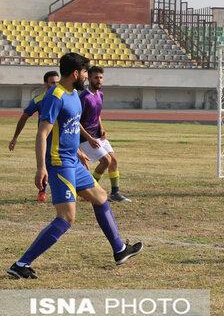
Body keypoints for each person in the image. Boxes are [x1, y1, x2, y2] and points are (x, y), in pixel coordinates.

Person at [7, 53, 142, 280]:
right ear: (76, 73)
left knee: (100, 197)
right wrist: (41, 168)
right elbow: (42, 134)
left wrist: (80, 149)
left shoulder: (72, 95)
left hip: (73, 160)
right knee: (67, 218)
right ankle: (21, 264)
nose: (88, 76)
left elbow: (69, 124)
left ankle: (119, 250)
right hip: (59, 164)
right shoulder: (55, 96)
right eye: (86, 72)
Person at [78, 66, 130, 202]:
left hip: (97, 135)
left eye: (100, 77)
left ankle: (115, 193)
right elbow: (76, 121)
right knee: (106, 161)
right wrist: (89, 138)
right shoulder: (83, 97)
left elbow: (97, 114)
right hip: (85, 138)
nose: (98, 80)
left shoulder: (100, 93)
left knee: (114, 160)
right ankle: (88, 191)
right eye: (95, 77)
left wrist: (101, 128)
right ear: (89, 78)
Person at [8, 71, 60, 202]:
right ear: (45, 84)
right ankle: (42, 191)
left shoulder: (63, 97)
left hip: (64, 139)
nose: (55, 85)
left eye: (57, 82)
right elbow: (24, 117)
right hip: (47, 140)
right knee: (46, 165)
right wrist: (15, 137)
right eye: (52, 83)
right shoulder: (39, 99)